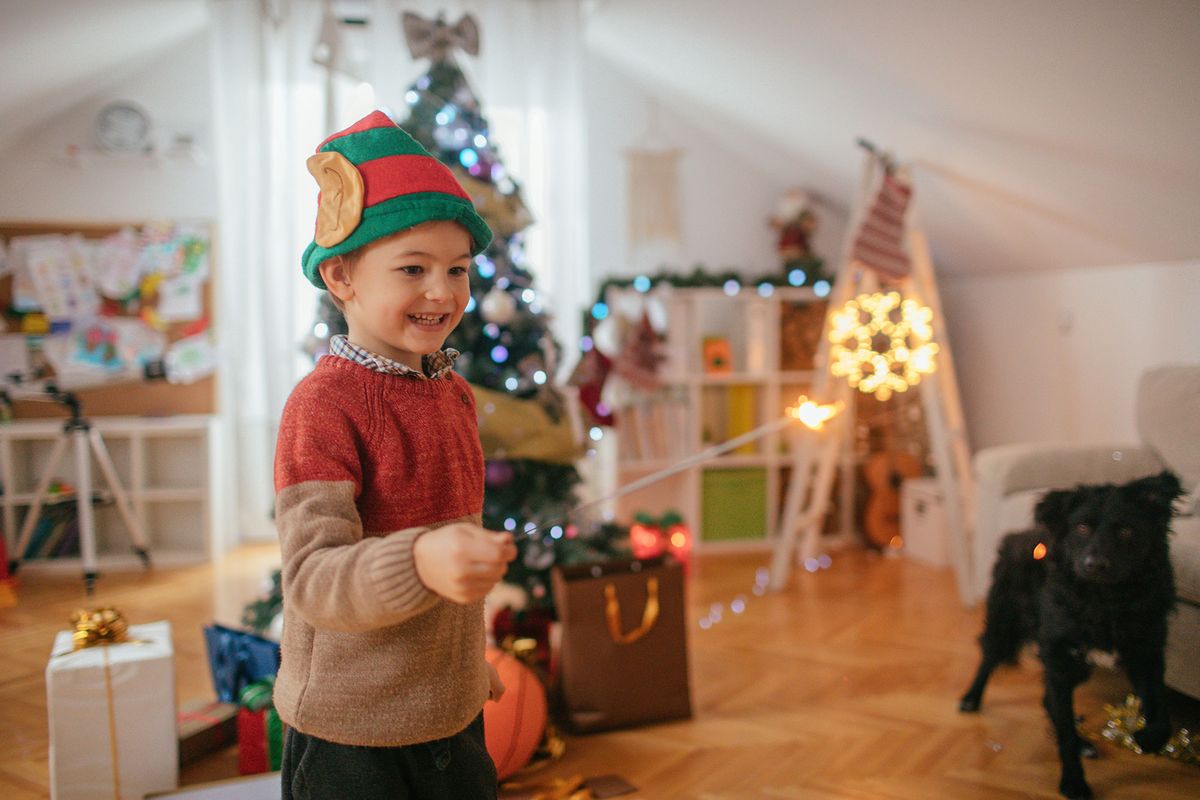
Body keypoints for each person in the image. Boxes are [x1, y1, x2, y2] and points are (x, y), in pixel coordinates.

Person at [273, 110, 516, 799]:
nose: (443, 291)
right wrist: (419, 561)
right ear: (341, 276)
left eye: (458, 269)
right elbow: (313, 579)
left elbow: (451, 561)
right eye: (414, 268)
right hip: (351, 738)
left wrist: (463, 667)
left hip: (452, 713)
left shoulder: (453, 394)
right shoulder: (321, 406)